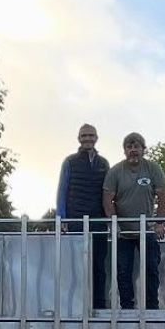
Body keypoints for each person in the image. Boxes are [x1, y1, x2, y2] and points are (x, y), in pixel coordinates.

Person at [102, 132, 165, 310]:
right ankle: (127, 308)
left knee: (151, 268)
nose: (133, 150)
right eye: (129, 147)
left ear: (143, 149)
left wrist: (160, 222)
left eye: (136, 146)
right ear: (124, 150)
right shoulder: (115, 171)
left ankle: (152, 307)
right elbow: (107, 199)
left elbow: (163, 195)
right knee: (123, 271)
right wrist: (114, 223)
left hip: (147, 229)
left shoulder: (153, 168)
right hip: (123, 232)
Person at [55, 124, 110, 309]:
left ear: (96, 138)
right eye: (84, 135)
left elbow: (108, 193)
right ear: (79, 138)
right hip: (75, 221)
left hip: (99, 221)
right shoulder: (70, 162)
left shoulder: (104, 163)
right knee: (76, 266)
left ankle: (99, 306)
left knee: (99, 266)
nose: (88, 138)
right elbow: (62, 190)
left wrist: (110, 218)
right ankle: (75, 306)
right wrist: (61, 218)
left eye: (91, 135)